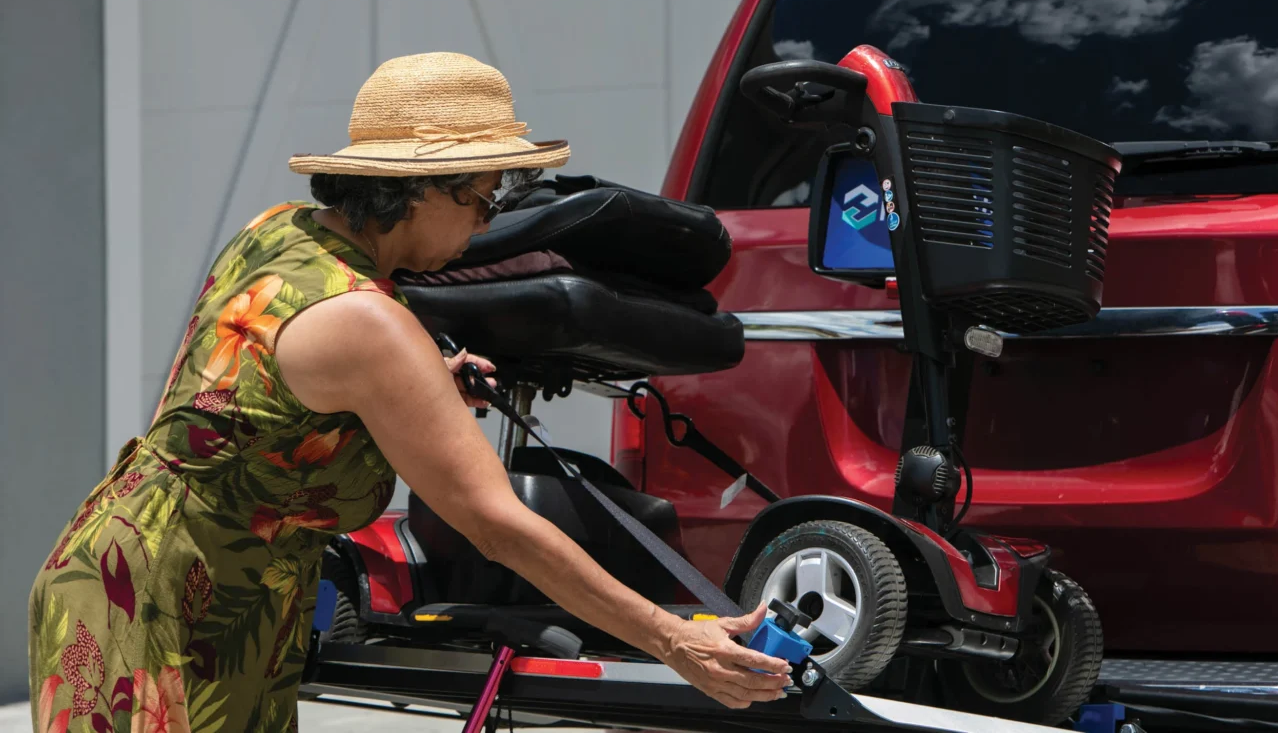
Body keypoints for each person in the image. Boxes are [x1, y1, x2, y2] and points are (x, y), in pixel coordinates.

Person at [28, 52, 791, 732]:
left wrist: (421, 383)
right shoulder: (372, 324)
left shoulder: (282, 231)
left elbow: (274, 382)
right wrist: (670, 637)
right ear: (418, 187)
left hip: (142, 564)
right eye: (482, 200)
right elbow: (499, 526)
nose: (487, 222)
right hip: (166, 606)